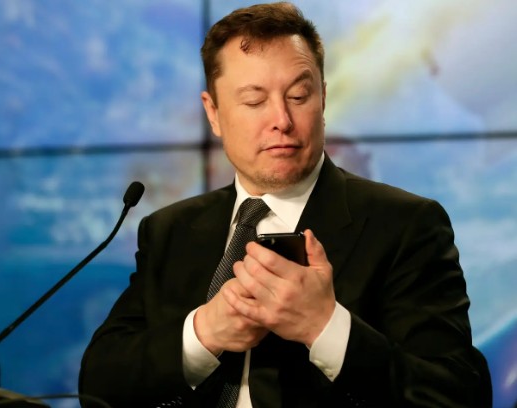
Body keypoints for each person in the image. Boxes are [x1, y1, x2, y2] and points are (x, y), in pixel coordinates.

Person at [79, 2, 492, 407]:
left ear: (323, 99)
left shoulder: (406, 225)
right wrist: (204, 332)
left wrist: (324, 326)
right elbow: (99, 385)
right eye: (254, 101)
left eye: (298, 95)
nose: (282, 120)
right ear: (214, 113)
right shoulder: (170, 231)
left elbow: (456, 395)